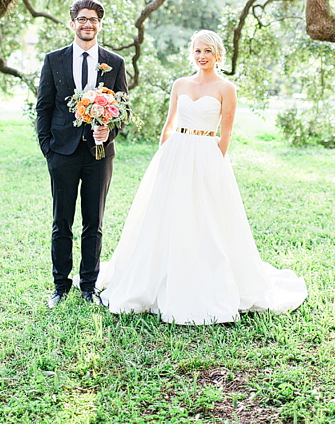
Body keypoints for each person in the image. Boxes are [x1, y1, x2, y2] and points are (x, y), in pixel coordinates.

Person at [95, 30, 307, 324]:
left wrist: (214, 164)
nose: (202, 56)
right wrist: (162, 160)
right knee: (168, 217)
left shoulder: (226, 88)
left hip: (207, 155)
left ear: (217, 54)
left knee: (205, 218)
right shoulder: (180, 84)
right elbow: (168, 125)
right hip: (176, 154)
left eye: (207, 51)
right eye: (197, 51)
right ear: (191, 54)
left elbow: (227, 132)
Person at [36, 0, 128, 308]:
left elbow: (123, 109)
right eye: (82, 19)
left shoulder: (115, 62)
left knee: (94, 222)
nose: (87, 24)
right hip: (61, 152)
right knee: (62, 221)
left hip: (100, 154)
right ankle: (60, 286)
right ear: (72, 23)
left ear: (100, 25)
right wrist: (48, 149)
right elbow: (44, 107)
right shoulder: (53, 60)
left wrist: (109, 131)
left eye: (93, 20)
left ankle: (89, 286)